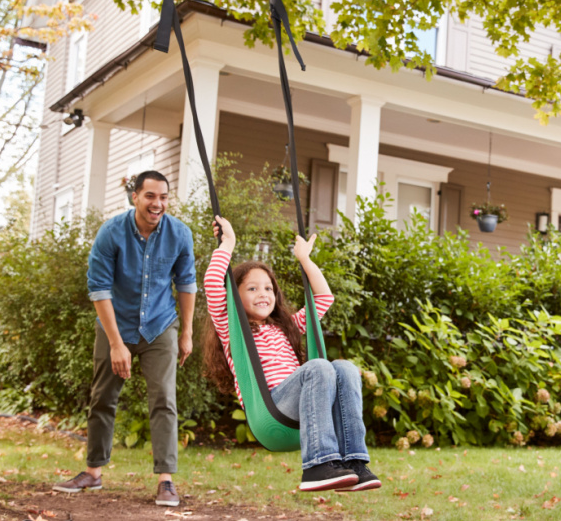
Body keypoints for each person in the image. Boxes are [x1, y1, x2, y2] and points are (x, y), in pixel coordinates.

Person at [202, 215, 380, 492]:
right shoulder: (232, 328)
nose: (263, 294)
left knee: (344, 367)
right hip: (271, 409)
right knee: (319, 366)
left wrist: (305, 260)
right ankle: (317, 465)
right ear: (235, 296)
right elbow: (213, 284)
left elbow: (323, 298)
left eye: (268, 288)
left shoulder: (287, 327)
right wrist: (228, 243)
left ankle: (355, 461)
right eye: (252, 288)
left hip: (308, 404)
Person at [53, 171, 196, 507]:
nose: (157, 204)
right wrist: (116, 343)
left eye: (163, 197)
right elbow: (99, 289)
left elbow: (186, 283)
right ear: (135, 196)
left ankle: (166, 481)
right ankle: (93, 472)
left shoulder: (179, 234)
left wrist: (187, 332)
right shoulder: (111, 232)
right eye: (150, 196)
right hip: (115, 324)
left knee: (164, 399)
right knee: (103, 398)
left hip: (160, 327)